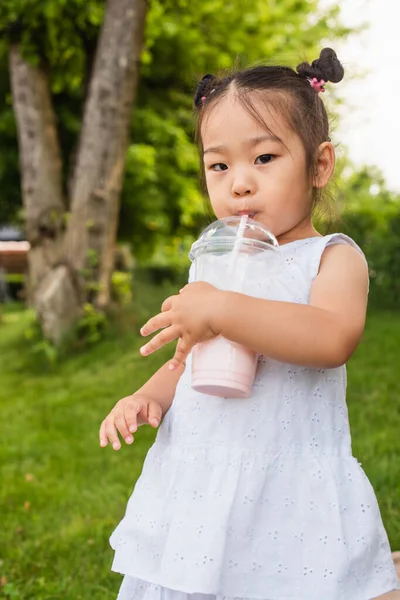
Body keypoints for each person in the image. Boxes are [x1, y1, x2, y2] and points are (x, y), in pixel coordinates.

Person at [100, 48, 400, 600]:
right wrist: (148, 396)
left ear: (319, 165)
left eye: (263, 158)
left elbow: (331, 338)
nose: (238, 183)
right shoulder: (213, 263)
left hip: (287, 481)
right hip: (198, 478)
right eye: (219, 165)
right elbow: (188, 360)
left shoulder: (332, 258)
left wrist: (221, 308)